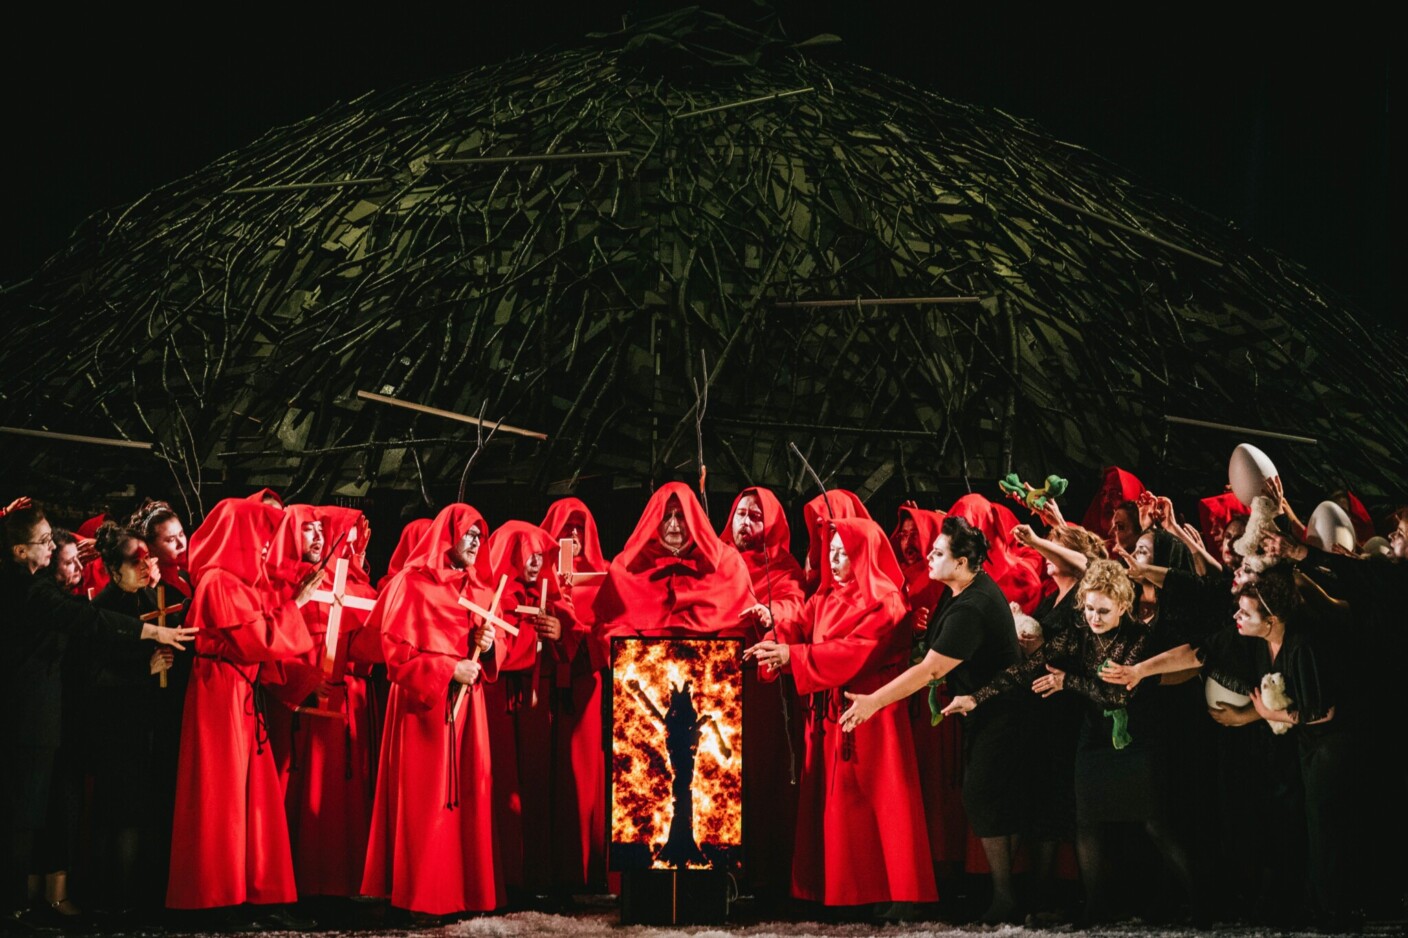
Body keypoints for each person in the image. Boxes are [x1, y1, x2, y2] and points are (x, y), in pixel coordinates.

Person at [945, 559, 1202, 926]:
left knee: (1154, 823)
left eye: (1103, 611)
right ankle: (1093, 907)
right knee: (1087, 821)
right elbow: (1024, 670)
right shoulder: (1078, 631)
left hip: (1137, 737)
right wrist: (977, 698)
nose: (1093, 617)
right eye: (1088, 609)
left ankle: (1201, 900)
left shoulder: (1138, 638)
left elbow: (1117, 696)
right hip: (1093, 736)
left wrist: (1069, 682)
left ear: (1123, 607)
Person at [3, 506, 192, 926]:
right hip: (38, 721)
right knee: (24, 817)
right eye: (46, 543)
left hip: (49, 721)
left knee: (36, 815)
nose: (53, 551)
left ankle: (29, 902)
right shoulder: (30, 591)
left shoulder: (35, 588)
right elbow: (87, 627)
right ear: (19, 551)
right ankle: (17, 907)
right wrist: (151, 636)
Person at [838, 515, 1026, 923]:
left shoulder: (973, 605)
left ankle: (1007, 898)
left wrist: (872, 701)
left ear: (961, 563)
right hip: (981, 709)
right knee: (986, 799)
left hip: (1004, 712)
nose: (928, 556)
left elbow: (931, 670)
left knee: (984, 799)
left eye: (938, 553)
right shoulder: (956, 591)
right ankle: (1006, 894)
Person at [745, 517, 937, 918]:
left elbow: (857, 651)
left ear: (862, 554)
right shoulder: (827, 596)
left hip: (872, 716)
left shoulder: (886, 600)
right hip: (829, 715)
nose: (833, 562)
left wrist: (792, 657)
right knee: (835, 806)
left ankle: (890, 890)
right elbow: (798, 622)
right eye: (830, 553)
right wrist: (773, 639)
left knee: (876, 801)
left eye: (842, 554)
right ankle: (835, 891)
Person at [165, 498, 316, 925]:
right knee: (223, 795)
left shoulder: (234, 582)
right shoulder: (218, 582)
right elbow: (259, 640)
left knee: (249, 795)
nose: (267, 550)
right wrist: (297, 604)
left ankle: (253, 891)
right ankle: (220, 894)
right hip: (219, 695)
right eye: (262, 541)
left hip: (238, 691)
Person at [360, 504, 503, 920]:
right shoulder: (411, 583)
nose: (477, 542)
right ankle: (422, 895)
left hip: (467, 709)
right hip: (423, 707)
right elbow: (396, 656)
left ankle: (462, 893)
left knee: (466, 797)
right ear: (448, 535)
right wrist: (447, 668)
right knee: (425, 802)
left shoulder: (478, 588)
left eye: (481, 534)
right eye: (469, 533)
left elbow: (494, 645)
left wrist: (487, 644)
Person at [285, 506, 382, 903]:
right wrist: (303, 684)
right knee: (301, 795)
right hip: (300, 705)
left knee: (343, 799)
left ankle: (344, 883)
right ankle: (301, 885)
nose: (353, 546)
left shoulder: (358, 588)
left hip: (345, 702)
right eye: (350, 538)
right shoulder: (290, 584)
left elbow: (367, 647)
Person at [85, 523, 176, 917]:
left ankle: (141, 894)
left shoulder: (150, 601)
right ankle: (115, 900)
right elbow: (91, 676)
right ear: (111, 567)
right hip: (116, 728)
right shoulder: (101, 611)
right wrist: (145, 670)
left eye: (147, 557)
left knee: (145, 811)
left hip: (148, 723)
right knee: (119, 814)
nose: (145, 565)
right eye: (135, 560)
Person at [723, 486, 807, 903]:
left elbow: (796, 606)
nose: (745, 523)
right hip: (716, 686)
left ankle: (765, 876)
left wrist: (772, 614)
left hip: (761, 692)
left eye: (756, 516)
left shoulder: (782, 566)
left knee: (763, 776)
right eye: (741, 513)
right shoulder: (716, 558)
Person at [482, 520, 563, 901]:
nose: (535, 562)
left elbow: (573, 634)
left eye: (540, 555)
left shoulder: (546, 593)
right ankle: (503, 876)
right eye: (527, 554)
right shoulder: (489, 592)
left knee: (535, 783)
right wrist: (531, 636)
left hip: (534, 700)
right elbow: (493, 642)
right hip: (496, 698)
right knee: (499, 784)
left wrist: (558, 630)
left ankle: (536, 875)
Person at [540, 498, 609, 893]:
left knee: (583, 778)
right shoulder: (538, 575)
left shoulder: (604, 577)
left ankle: (585, 871)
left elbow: (608, 632)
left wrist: (571, 632)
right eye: (565, 529)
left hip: (586, 688)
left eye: (580, 529)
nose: (573, 537)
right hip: (546, 687)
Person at [593, 482, 753, 637]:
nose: (674, 525)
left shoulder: (728, 562)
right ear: (655, 521)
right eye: (667, 516)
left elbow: (744, 623)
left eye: (681, 516)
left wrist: (723, 653)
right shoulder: (626, 565)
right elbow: (607, 625)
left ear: (693, 519)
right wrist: (631, 652)